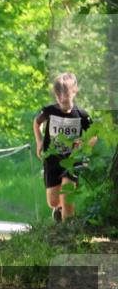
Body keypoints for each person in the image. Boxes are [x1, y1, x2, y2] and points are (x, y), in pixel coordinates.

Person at [33, 73, 96, 223]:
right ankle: (58, 210)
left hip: (73, 159)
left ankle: (68, 230)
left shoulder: (81, 115)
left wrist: (84, 145)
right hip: (52, 159)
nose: (63, 103)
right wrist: (39, 142)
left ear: (74, 91)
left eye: (66, 99)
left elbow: (94, 135)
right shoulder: (49, 111)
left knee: (67, 193)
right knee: (54, 201)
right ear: (56, 96)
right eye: (59, 100)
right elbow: (36, 123)